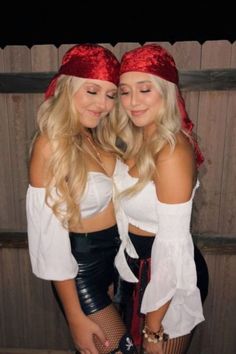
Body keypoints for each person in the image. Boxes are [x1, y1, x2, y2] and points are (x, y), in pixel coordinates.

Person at [26, 43, 137, 354]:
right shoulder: (50, 145)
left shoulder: (97, 138)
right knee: (120, 350)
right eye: (92, 92)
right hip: (81, 272)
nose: (102, 104)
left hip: (116, 266)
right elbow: (49, 239)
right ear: (68, 88)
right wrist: (75, 316)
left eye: (111, 94)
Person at [111, 44, 209, 354]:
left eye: (144, 89)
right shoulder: (135, 138)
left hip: (169, 274)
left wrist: (153, 327)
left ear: (166, 92)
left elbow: (172, 246)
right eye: (124, 92)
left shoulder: (172, 150)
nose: (132, 102)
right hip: (135, 270)